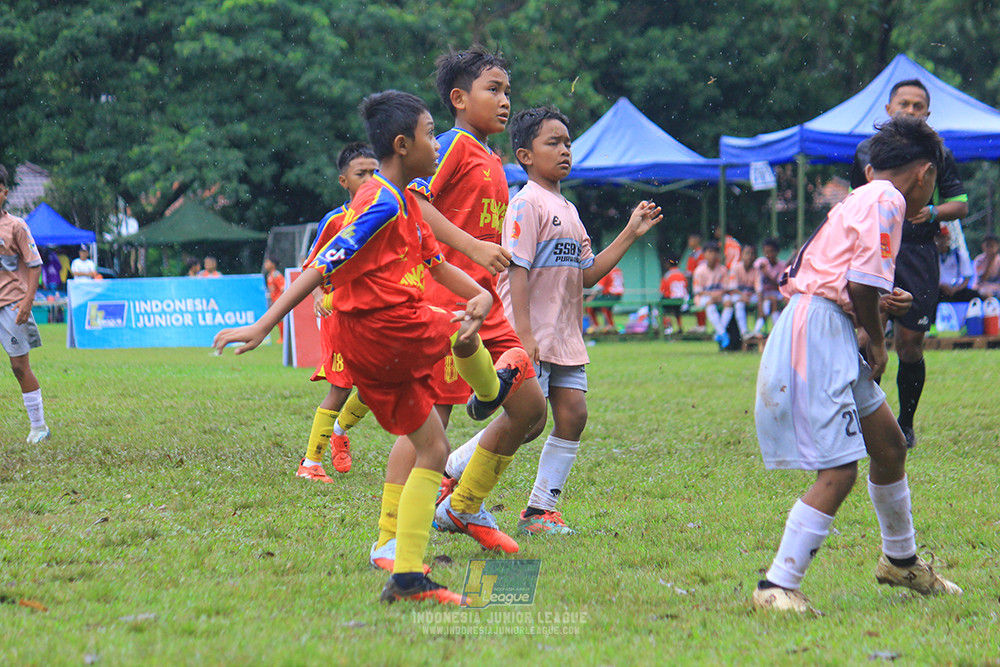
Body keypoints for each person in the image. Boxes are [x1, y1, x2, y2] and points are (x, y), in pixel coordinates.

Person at [214, 90, 530, 605]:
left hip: (381, 344)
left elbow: (436, 265)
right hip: (383, 329)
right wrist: (262, 325)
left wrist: (479, 293)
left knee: (433, 448)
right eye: (431, 134)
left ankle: (405, 576)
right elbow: (321, 266)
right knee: (456, 331)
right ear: (404, 145)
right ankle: (491, 393)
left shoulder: (406, 201)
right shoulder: (382, 200)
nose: (437, 143)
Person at [753, 116, 962, 614]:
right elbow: (862, 284)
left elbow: (853, 280)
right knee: (839, 470)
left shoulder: (867, 195)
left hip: (829, 323)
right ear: (925, 174)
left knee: (888, 446)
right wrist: (876, 337)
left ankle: (901, 560)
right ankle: (776, 585)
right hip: (820, 331)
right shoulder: (887, 199)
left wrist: (873, 310)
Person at [380, 46, 546, 560]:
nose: (504, 101)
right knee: (432, 420)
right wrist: (472, 247)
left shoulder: (492, 158)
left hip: (484, 305)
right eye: (492, 90)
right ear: (458, 99)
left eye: (507, 90)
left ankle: (462, 505)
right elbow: (415, 201)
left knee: (531, 411)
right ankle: (388, 538)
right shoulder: (450, 145)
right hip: (447, 303)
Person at [497, 107, 661, 534]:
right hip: (533, 333)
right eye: (553, 142)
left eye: (568, 142)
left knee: (573, 415)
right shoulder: (526, 203)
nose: (565, 150)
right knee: (528, 424)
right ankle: (454, 473)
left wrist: (629, 232)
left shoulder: (568, 209)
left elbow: (585, 273)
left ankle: (540, 510)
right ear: (525, 155)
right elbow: (517, 269)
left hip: (565, 334)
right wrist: (524, 335)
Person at [850, 78, 968, 450]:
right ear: (888, 109)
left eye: (919, 106)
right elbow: (856, 198)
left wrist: (932, 210)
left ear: (928, 113)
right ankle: (865, 423)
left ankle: (905, 424)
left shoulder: (938, 152)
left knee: (911, 345)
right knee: (869, 336)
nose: (911, 111)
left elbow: (960, 204)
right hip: (878, 250)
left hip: (918, 253)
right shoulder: (866, 150)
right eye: (904, 104)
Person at [296, 142, 379, 482]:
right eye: (362, 174)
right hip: (339, 314)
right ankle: (310, 463)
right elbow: (313, 265)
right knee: (341, 387)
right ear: (344, 181)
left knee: (379, 384)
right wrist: (318, 293)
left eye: (376, 173)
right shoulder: (335, 220)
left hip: (375, 316)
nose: (371, 180)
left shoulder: (386, 216)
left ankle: (341, 432)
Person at [0, 164, 50, 444]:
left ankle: (39, 426)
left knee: (19, 367)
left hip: (11, 305)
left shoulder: (16, 226)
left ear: (5, 193)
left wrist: (28, 301)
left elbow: (34, 265)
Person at [692, 241, 732, 348]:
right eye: (710, 252)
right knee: (709, 304)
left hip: (719, 295)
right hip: (704, 297)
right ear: (704, 254)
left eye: (715, 252)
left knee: (729, 302)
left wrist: (717, 294)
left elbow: (726, 287)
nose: (712, 255)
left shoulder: (722, 270)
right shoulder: (699, 270)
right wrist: (712, 295)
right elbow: (698, 290)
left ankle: (720, 332)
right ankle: (723, 334)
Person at [753, 238, 786, 335]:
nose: (769, 255)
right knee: (768, 303)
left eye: (771, 252)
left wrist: (767, 274)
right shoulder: (761, 263)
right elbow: (758, 285)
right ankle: (759, 331)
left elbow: (779, 285)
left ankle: (775, 330)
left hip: (777, 293)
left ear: (777, 252)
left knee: (774, 300)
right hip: (763, 294)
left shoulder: (781, 265)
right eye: (766, 252)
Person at [936, 227, 978, 303]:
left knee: (975, 295)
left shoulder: (958, 255)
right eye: (938, 238)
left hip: (957, 289)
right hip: (938, 289)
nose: (941, 241)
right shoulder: (932, 256)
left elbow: (967, 277)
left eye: (943, 237)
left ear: (948, 238)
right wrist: (941, 286)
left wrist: (956, 289)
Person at [727, 243, 759, 338]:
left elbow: (759, 290)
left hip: (752, 296)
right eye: (747, 253)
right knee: (738, 304)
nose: (749, 256)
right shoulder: (735, 267)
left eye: (752, 254)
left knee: (766, 303)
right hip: (739, 295)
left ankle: (757, 330)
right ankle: (744, 332)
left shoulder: (757, 270)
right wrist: (743, 296)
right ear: (742, 255)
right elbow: (733, 288)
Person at [585, 266, 624, 333]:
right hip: (618, 294)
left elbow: (599, 287)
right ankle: (610, 325)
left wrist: (591, 296)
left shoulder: (606, 269)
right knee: (606, 307)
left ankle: (597, 326)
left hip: (610, 293)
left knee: (590, 304)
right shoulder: (618, 270)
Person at [682, 232, 708, 332]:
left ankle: (702, 325)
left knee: (699, 301)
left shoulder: (700, 253)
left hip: (697, 281)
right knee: (695, 301)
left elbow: (701, 268)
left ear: (696, 240)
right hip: (692, 279)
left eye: (691, 239)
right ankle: (699, 324)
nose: (689, 241)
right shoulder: (693, 252)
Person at [659, 253, 688, 334]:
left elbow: (663, 291)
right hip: (682, 299)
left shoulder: (667, 275)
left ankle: (668, 327)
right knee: (677, 312)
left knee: (663, 309)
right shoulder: (682, 274)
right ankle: (679, 327)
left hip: (672, 299)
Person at [262, 257, 285, 343]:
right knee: (277, 320)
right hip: (274, 302)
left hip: (279, 302)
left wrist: (280, 300)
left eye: (268, 263)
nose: (266, 265)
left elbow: (283, 287)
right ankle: (282, 338)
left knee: (280, 319)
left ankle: (283, 338)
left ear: (273, 264)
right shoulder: (269, 276)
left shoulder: (276, 275)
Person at [973, 233, 1000, 298]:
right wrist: (989, 264)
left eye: (992, 246)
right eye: (988, 245)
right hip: (983, 287)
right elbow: (981, 280)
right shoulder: (979, 260)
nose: (990, 248)